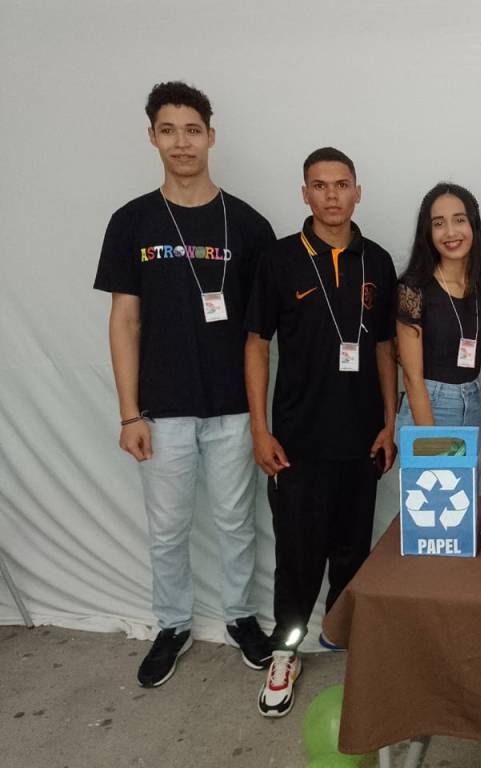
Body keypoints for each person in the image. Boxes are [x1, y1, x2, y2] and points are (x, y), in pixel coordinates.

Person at [93, 81, 275, 687]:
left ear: (211, 136)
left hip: (232, 408)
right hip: (162, 410)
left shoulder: (248, 224)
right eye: (168, 130)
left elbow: (262, 333)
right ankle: (172, 624)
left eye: (192, 130)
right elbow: (124, 320)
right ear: (152, 137)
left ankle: (241, 617)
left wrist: (260, 417)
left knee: (236, 523)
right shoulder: (132, 221)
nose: (181, 142)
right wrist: (129, 414)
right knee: (168, 530)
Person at [244, 147, 398, 717]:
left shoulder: (377, 261)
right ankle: (285, 652)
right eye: (320, 185)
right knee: (298, 554)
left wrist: (390, 422)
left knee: (354, 548)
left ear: (358, 191)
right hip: (298, 441)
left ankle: (347, 640)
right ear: (304, 193)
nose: (332, 196)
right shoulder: (279, 259)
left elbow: (384, 348)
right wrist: (260, 429)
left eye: (342, 184)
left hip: (362, 440)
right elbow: (256, 346)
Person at [396, 183, 481, 433]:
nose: (451, 232)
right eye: (439, 223)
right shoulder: (413, 288)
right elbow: (412, 378)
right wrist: (431, 442)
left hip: (474, 402)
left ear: (473, 225)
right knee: (434, 463)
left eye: (459, 220)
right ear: (428, 232)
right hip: (428, 404)